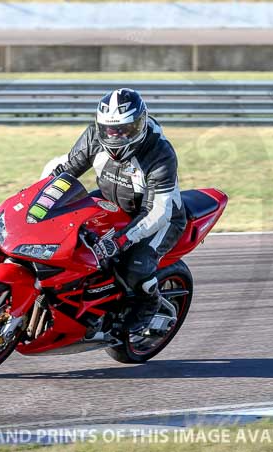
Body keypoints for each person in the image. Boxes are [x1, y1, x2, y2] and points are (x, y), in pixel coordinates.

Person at [44, 88, 186, 333]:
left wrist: (120, 240)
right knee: (70, 235)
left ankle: (148, 307)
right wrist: (39, 195)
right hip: (112, 200)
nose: (116, 136)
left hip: (160, 217)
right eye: (110, 130)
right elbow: (65, 170)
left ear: (140, 124)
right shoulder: (94, 136)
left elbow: (158, 211)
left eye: (124, 130)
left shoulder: (159, 153)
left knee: (135, 266)